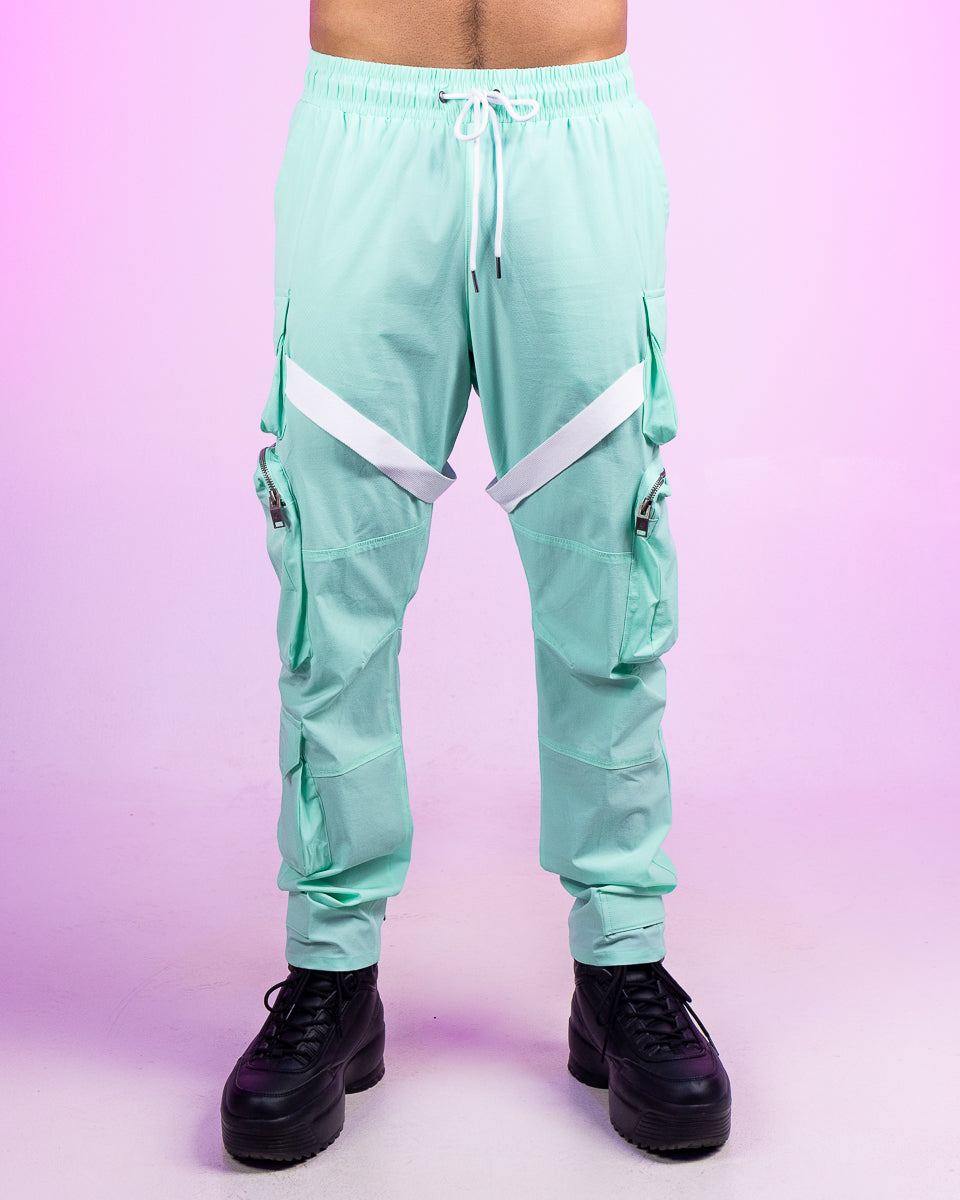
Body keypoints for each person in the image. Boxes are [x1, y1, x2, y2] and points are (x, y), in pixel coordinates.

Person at [221, 0, 732, 1163]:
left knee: (611, 572)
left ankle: (620, 961)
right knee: (330, 579)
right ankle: (332, 971)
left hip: (575, 131)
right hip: (364, 129)